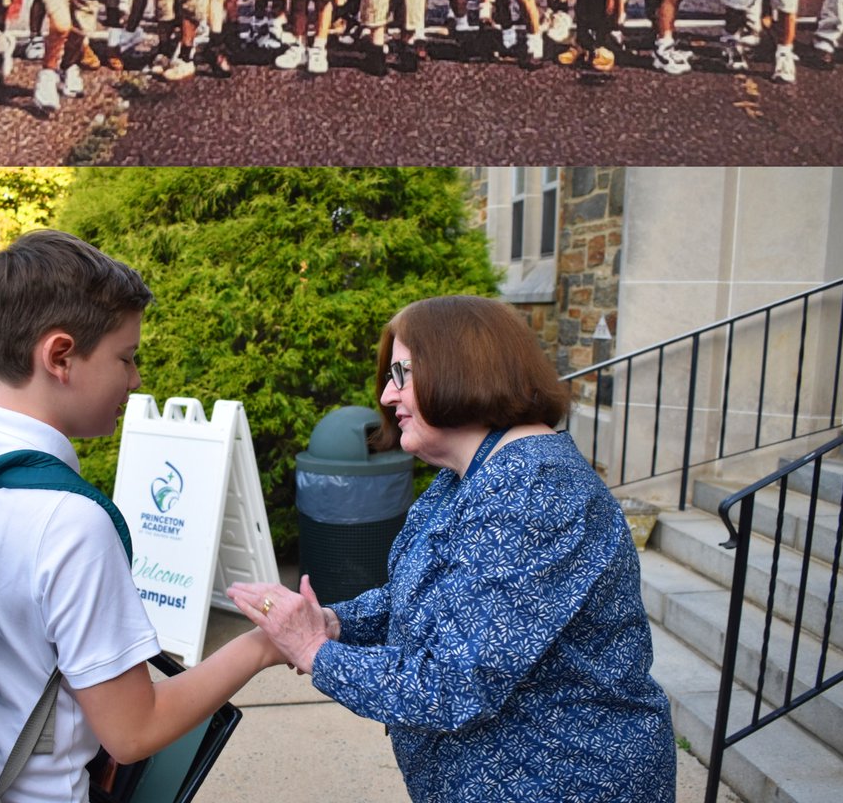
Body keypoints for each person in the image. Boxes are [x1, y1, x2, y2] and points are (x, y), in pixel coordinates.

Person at [229, 295, 676, 803]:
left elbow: (454, 684)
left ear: (462, 367)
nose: (387, 394)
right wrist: (335, 623)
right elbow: (419, 595)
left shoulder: (536, 490)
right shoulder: (470, 477)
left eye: (402, 374)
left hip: (561, 781)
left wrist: (315, 651)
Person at [0, 229, 282, 803]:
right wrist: (262, 645)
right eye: (125, 358)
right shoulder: (68, 522)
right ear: (59, 356)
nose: (135, 379)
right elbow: (134, 731)